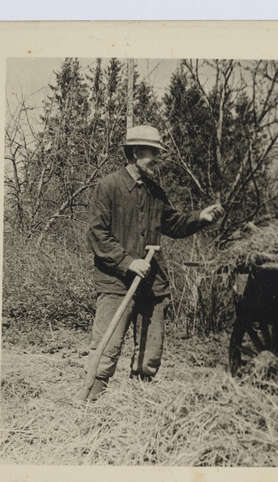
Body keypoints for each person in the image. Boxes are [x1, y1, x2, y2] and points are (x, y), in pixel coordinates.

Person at [83, 125, 224, 401]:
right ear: (136, 153)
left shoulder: (155, 192)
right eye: (153, 153)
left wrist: (200, 218)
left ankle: (139, 408)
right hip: (115, 285)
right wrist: (127, 262)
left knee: (149, 354)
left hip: (152, 287)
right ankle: (92, 407)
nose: (158, 159)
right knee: (105, 350)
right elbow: (96, 234)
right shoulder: (108, 186)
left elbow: (173, 223)